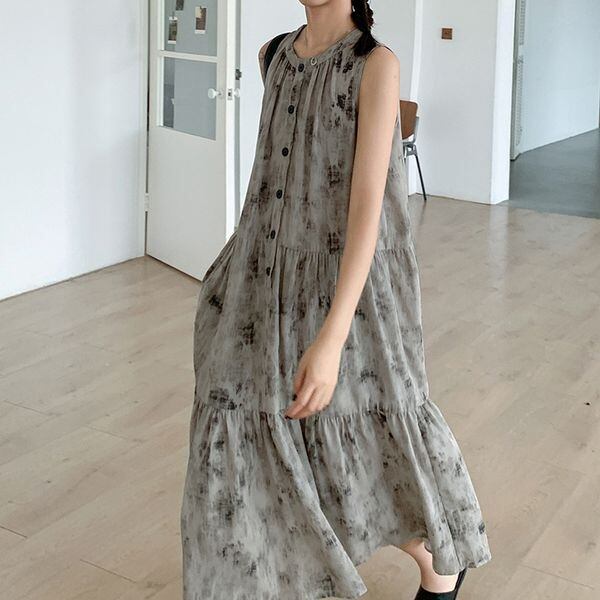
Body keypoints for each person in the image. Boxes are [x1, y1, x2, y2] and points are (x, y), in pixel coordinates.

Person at [180, 1, 492, 598]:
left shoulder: (375, 64)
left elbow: (368, 207)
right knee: (242, 426)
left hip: (348, 286)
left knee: (358, 433)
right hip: (258, 280)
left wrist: (332, 336)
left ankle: (436, 558)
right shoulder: (273, 56)